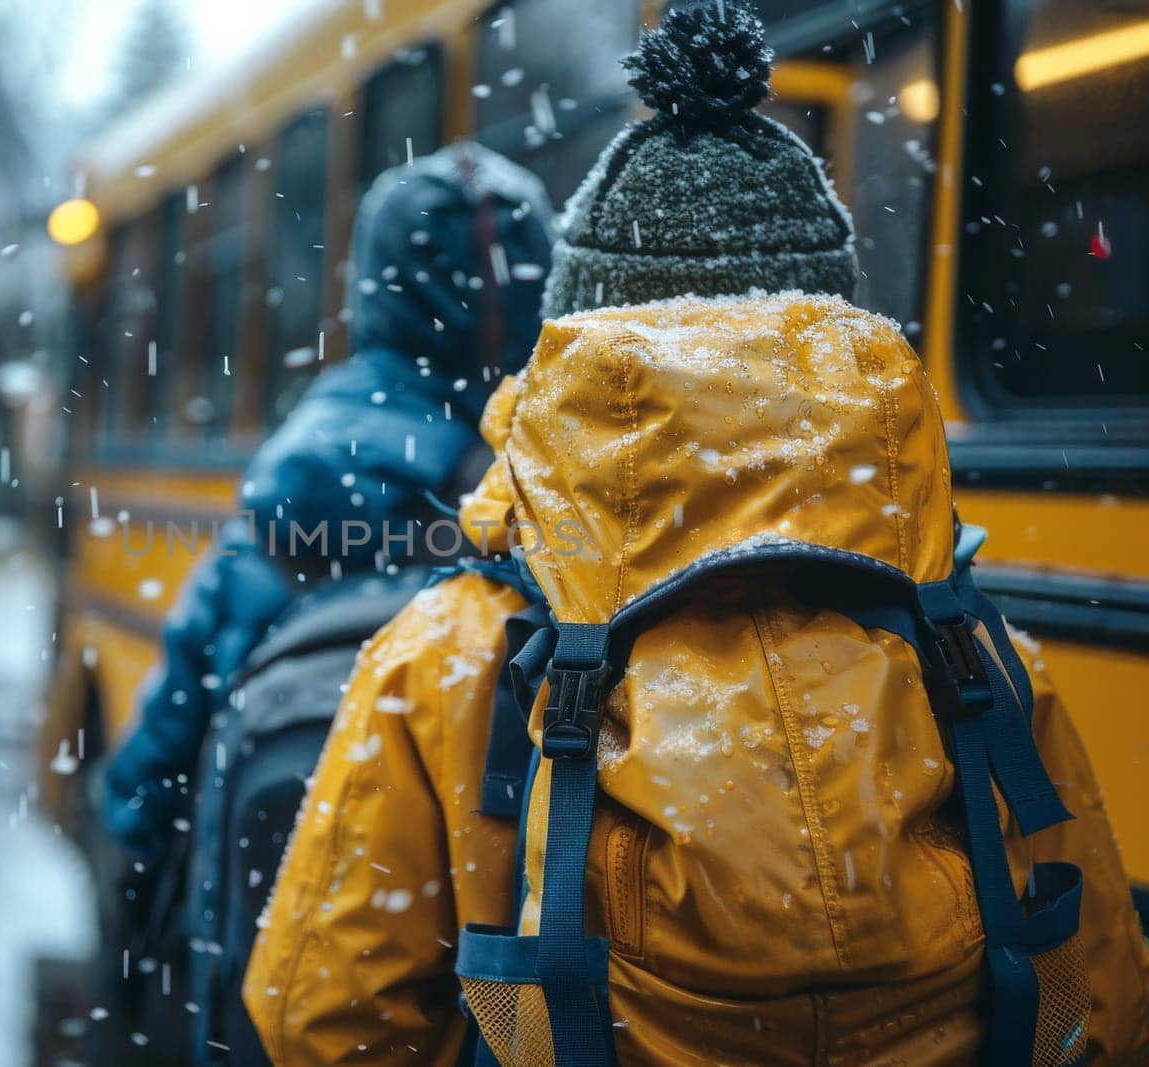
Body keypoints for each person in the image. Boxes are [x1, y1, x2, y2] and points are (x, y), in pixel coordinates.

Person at [244, 5, 1149, 1065]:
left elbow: (321, 1018)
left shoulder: (443, 662)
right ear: (842, 332)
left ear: (571, 336)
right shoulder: (985, 660)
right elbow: (1101, 1007)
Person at [97, 143, 553, 1057]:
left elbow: (149, 783)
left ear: (373, 291)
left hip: (273, 999)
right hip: (493, 1003)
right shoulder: (557, 482)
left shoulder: (290, 487)